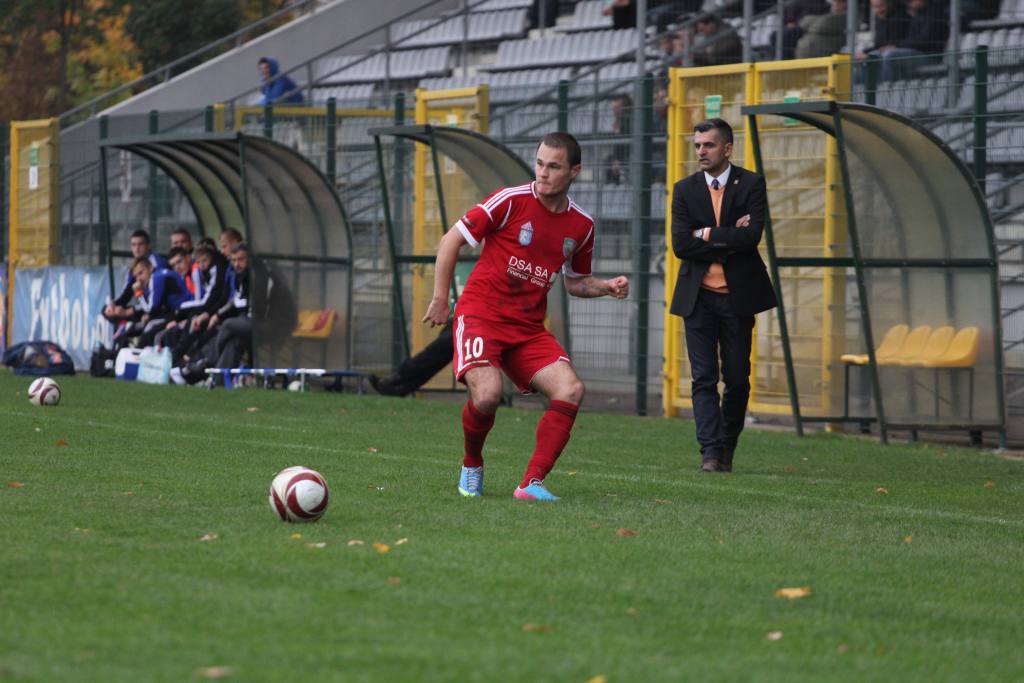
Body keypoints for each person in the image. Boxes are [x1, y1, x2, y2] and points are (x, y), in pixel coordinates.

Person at [423, 132, 630, 501]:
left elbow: (575, 283)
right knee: (487, 396)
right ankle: (472, 464)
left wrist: (605, 286)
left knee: (571, 389)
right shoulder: (510, 200)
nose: (543, 173)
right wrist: (441, 298)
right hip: (481, 315)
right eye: (539, 163)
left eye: (553, 166)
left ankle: (531, 483)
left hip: (528, 328)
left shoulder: (582, 225)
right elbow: (451, 239)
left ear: (574, 171)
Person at [670, 118, 777, 473]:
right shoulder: (684, 189)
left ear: (727, 148)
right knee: (703, 378)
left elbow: (751, 238)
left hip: (737, 298)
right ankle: (711, 453)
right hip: (697, 298)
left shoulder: (750, 184)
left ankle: (727, 445)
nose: (701, 151)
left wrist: (706, 235)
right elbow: (682, 246)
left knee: (736, 378)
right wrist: (725, 236)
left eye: (708, 145)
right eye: (697, 145)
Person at [103, 230, 169, 344]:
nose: (137, 249)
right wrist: (113, 306)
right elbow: (127, 292)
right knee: (106, 311)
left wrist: (131, 310)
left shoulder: (156, 264)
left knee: (140, 333)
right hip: (148, 306)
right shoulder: (136, 264)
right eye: (134, 245)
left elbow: (154, 303)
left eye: (140, 244)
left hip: (161, 309)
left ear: (148, 246)